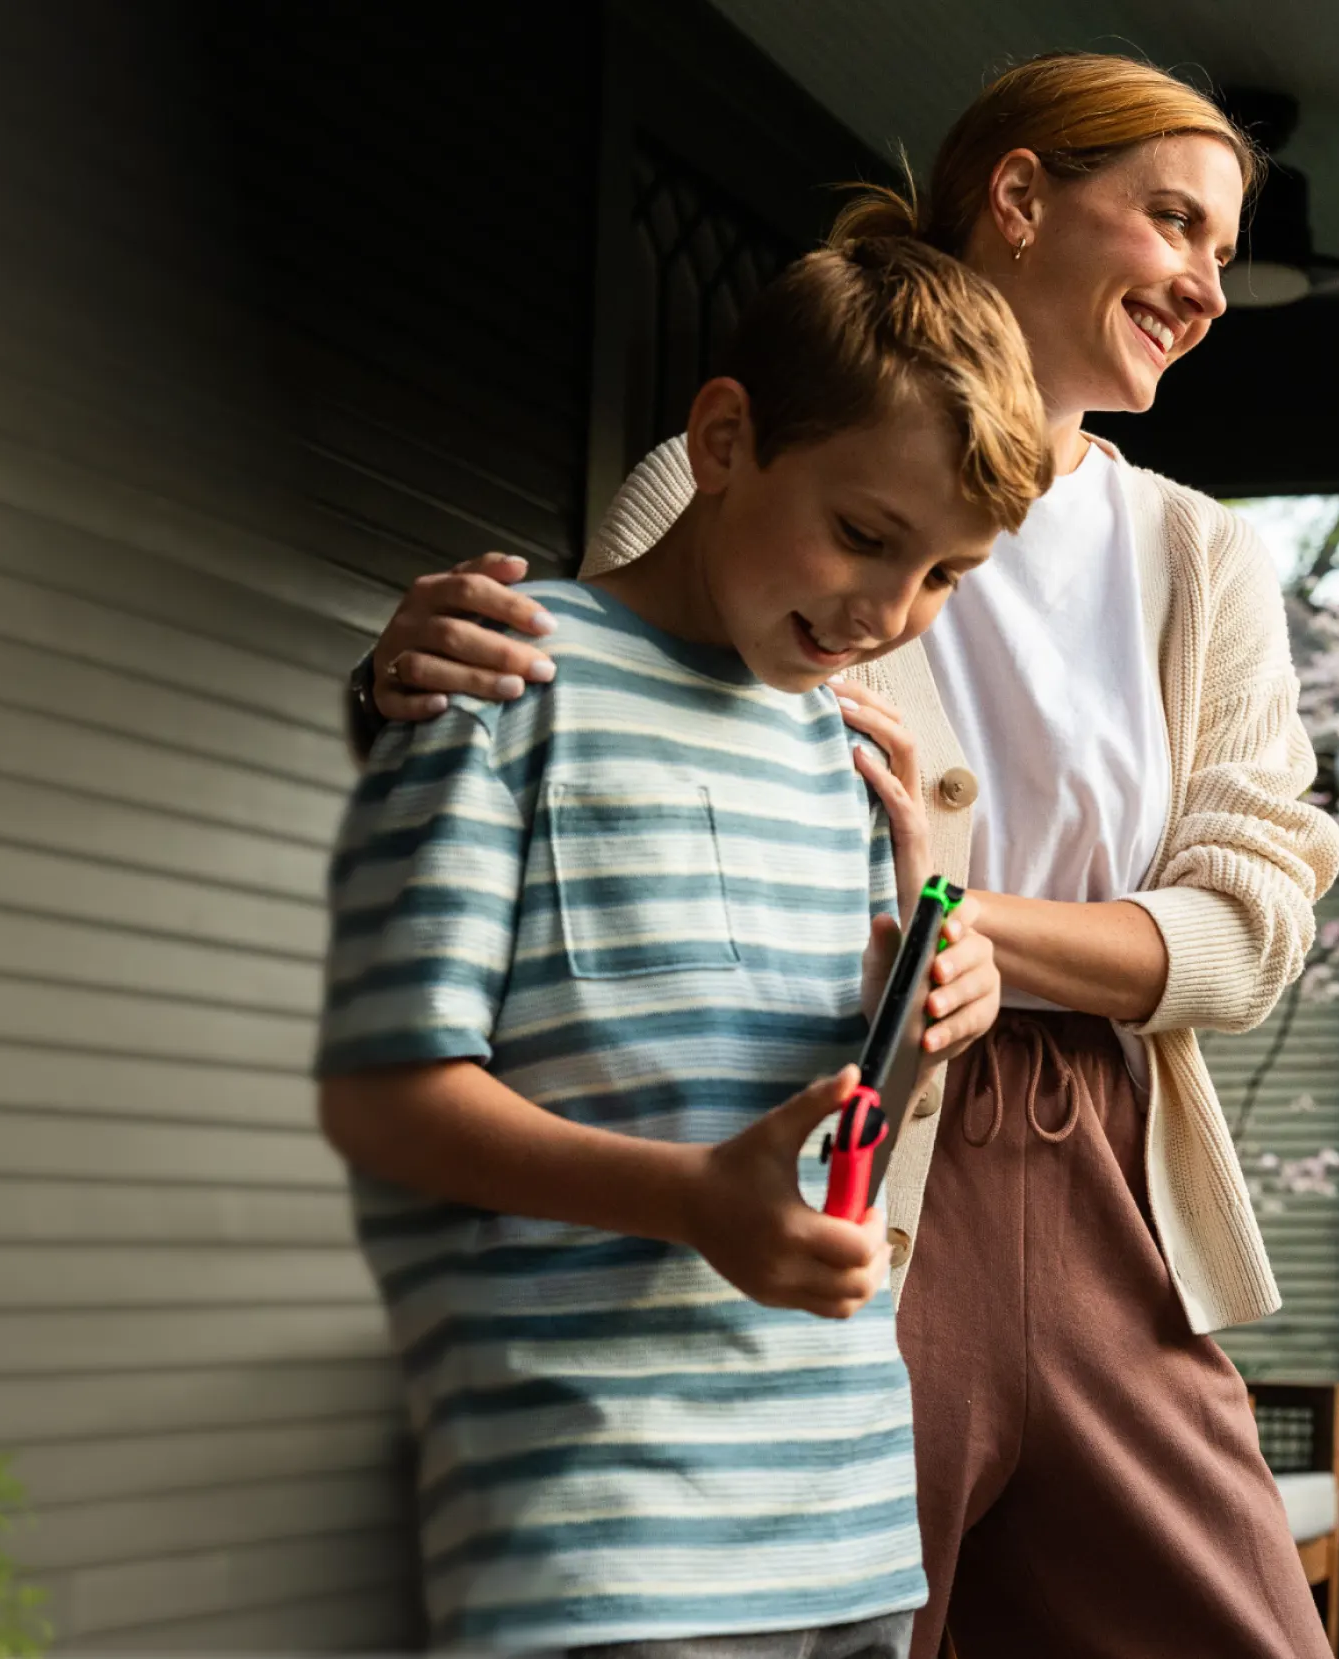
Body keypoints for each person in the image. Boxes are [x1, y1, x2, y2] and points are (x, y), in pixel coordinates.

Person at [352, 55, 1339, 1659]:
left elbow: (1247, 929)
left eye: (1225, 252)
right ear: (1020, 199)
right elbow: (633, 764)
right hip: (848, 1149)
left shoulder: (1199, 554)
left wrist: (971, 929)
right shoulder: (720, 470)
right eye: (1175, 224)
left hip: (1105, 1178)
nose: (1206, 285)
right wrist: (422, 674)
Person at [315, 235, 1035, 1657]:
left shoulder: (849, 753)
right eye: (865, 536)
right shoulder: (503, 683)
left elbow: (812, 1131)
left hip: (844, 1526)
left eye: (948, 575)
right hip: (603, 1537)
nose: (888, 616)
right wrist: (691, 1197)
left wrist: (920, 996)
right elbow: (388, 1099)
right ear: (722, 441)